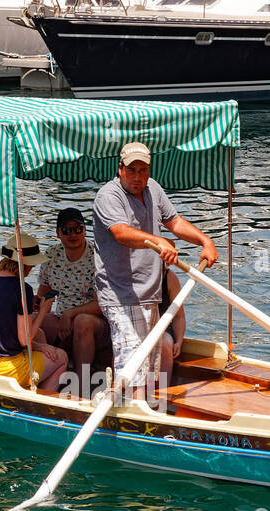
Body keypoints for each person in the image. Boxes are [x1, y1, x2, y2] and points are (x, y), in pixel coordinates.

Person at [92, 141, 218, 401]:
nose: (137, 177)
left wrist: (205, 241)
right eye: (131, 170)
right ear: (120, 169)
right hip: (122, 294)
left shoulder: (154, 189)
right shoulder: (109, 196)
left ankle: (143, 409)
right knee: (133, 367)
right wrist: (159, 241)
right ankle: (131, 412)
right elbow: (121, 232)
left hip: (150, 293)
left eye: (143, 170)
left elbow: (175, 222)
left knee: (149, 363)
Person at [0, 232, 68, 392]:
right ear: (25, 265)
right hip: (7, 369)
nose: (32, 268)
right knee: (61, 357)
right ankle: (40, 399)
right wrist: (43, 311)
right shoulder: (23, 289)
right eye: (32, 265)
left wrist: (40, 346)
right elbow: (25, 340)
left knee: (40, 336)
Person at [36, 207, 112, 396]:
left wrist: (70, 314)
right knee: (37, 319)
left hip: (97, 323)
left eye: (78, 229)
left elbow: (102, 304)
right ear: (58, 233)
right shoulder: (51, 255)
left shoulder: (98, 257)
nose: (73, 234)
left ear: (84, 230)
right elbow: (44, 294)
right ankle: (40, 372)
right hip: (62, 319)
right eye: (67, 230)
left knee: (82, 321)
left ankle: (80, 384)